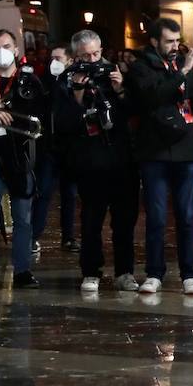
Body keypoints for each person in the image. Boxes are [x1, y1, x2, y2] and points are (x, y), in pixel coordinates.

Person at [125, 18, 193, 295]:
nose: (175, 47)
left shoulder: (180, 65)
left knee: (187, 215)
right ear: (154, 41)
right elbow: (152, 97)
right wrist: (183, 71)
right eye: (169, 42)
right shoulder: (142, 67)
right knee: (157, 216)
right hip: (155, 151)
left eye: (177, 41)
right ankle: (154, 273)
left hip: (186, 150)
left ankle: (190, 274)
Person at [53, 30, 139, 292]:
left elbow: (133, 111)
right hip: (89, 159)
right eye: (85, 55)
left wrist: (120, 89)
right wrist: (78, 93)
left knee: (125, 219)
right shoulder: (66, 80)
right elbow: (64, 122)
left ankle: (125, 271)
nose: (92, 60)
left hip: (122, 157)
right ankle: (91, 271)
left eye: (96, 53)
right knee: (91, 219)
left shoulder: (114, 72)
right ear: (75, 56)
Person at [0, 28, 48, 288]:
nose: (1, 52)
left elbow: (40, 115)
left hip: (21, 158)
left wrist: (7, 108)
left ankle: (23, 270)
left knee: (23, 218)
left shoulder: (30, 81)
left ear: (17, 49)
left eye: (6, 46)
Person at [31, 44, 77, 253]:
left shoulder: (74, 81)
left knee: (70, 193)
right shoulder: (45, 82)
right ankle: (34, 235)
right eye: (52, 58)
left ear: (69, 60)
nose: (54, 62)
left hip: (69, 147)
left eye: (58, 58)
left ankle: (68, 237)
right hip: (49, 146)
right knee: (44, 192)